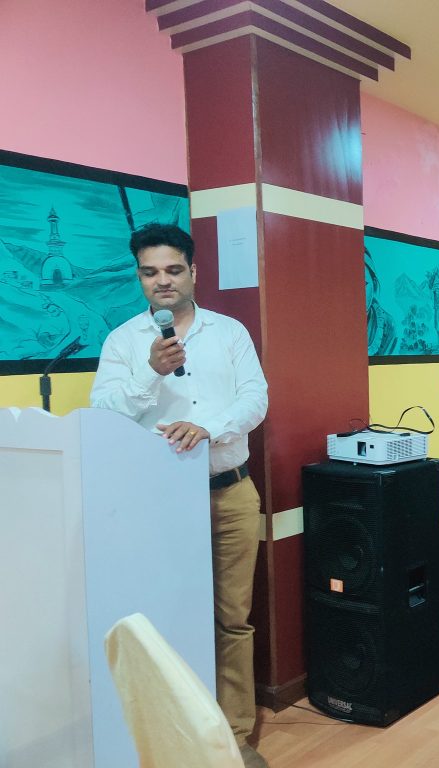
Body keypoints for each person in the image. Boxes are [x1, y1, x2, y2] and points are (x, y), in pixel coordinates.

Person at [90, 223, 269, 768]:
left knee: (232, 618)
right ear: (139, 277)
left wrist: (208, 427)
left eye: (172, 269)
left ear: (193, 271)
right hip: (156, 502)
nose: (162, 281)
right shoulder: (124, 342)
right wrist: (150, 372)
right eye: (150, 272)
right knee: (165, 615)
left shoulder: (229, 332)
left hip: (229, 494)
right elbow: (104, 412)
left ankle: (233, 735)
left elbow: (255, 399)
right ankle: (172, 734)